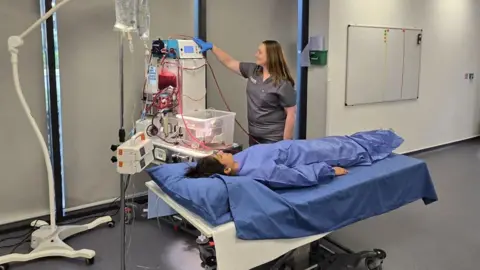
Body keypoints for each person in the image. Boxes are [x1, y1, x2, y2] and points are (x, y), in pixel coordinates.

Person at [193, 38, 297, 146]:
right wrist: (213, 47)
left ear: (271, 56)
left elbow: (291, 114)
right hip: (254, 135)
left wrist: (286, 142)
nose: (256, 54)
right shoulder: (253, 70)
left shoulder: (283, 83)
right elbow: (230, 62)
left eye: (260, 52)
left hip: (273, 139)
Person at [185, 141, 348, 189]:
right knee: (355, 149)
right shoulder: (259, 171)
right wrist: (328, 170)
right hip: (309, 154)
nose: (221, 152)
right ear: (226, 170)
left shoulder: (239, 159)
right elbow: (296, 176)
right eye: (219, 157)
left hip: (301, 147)